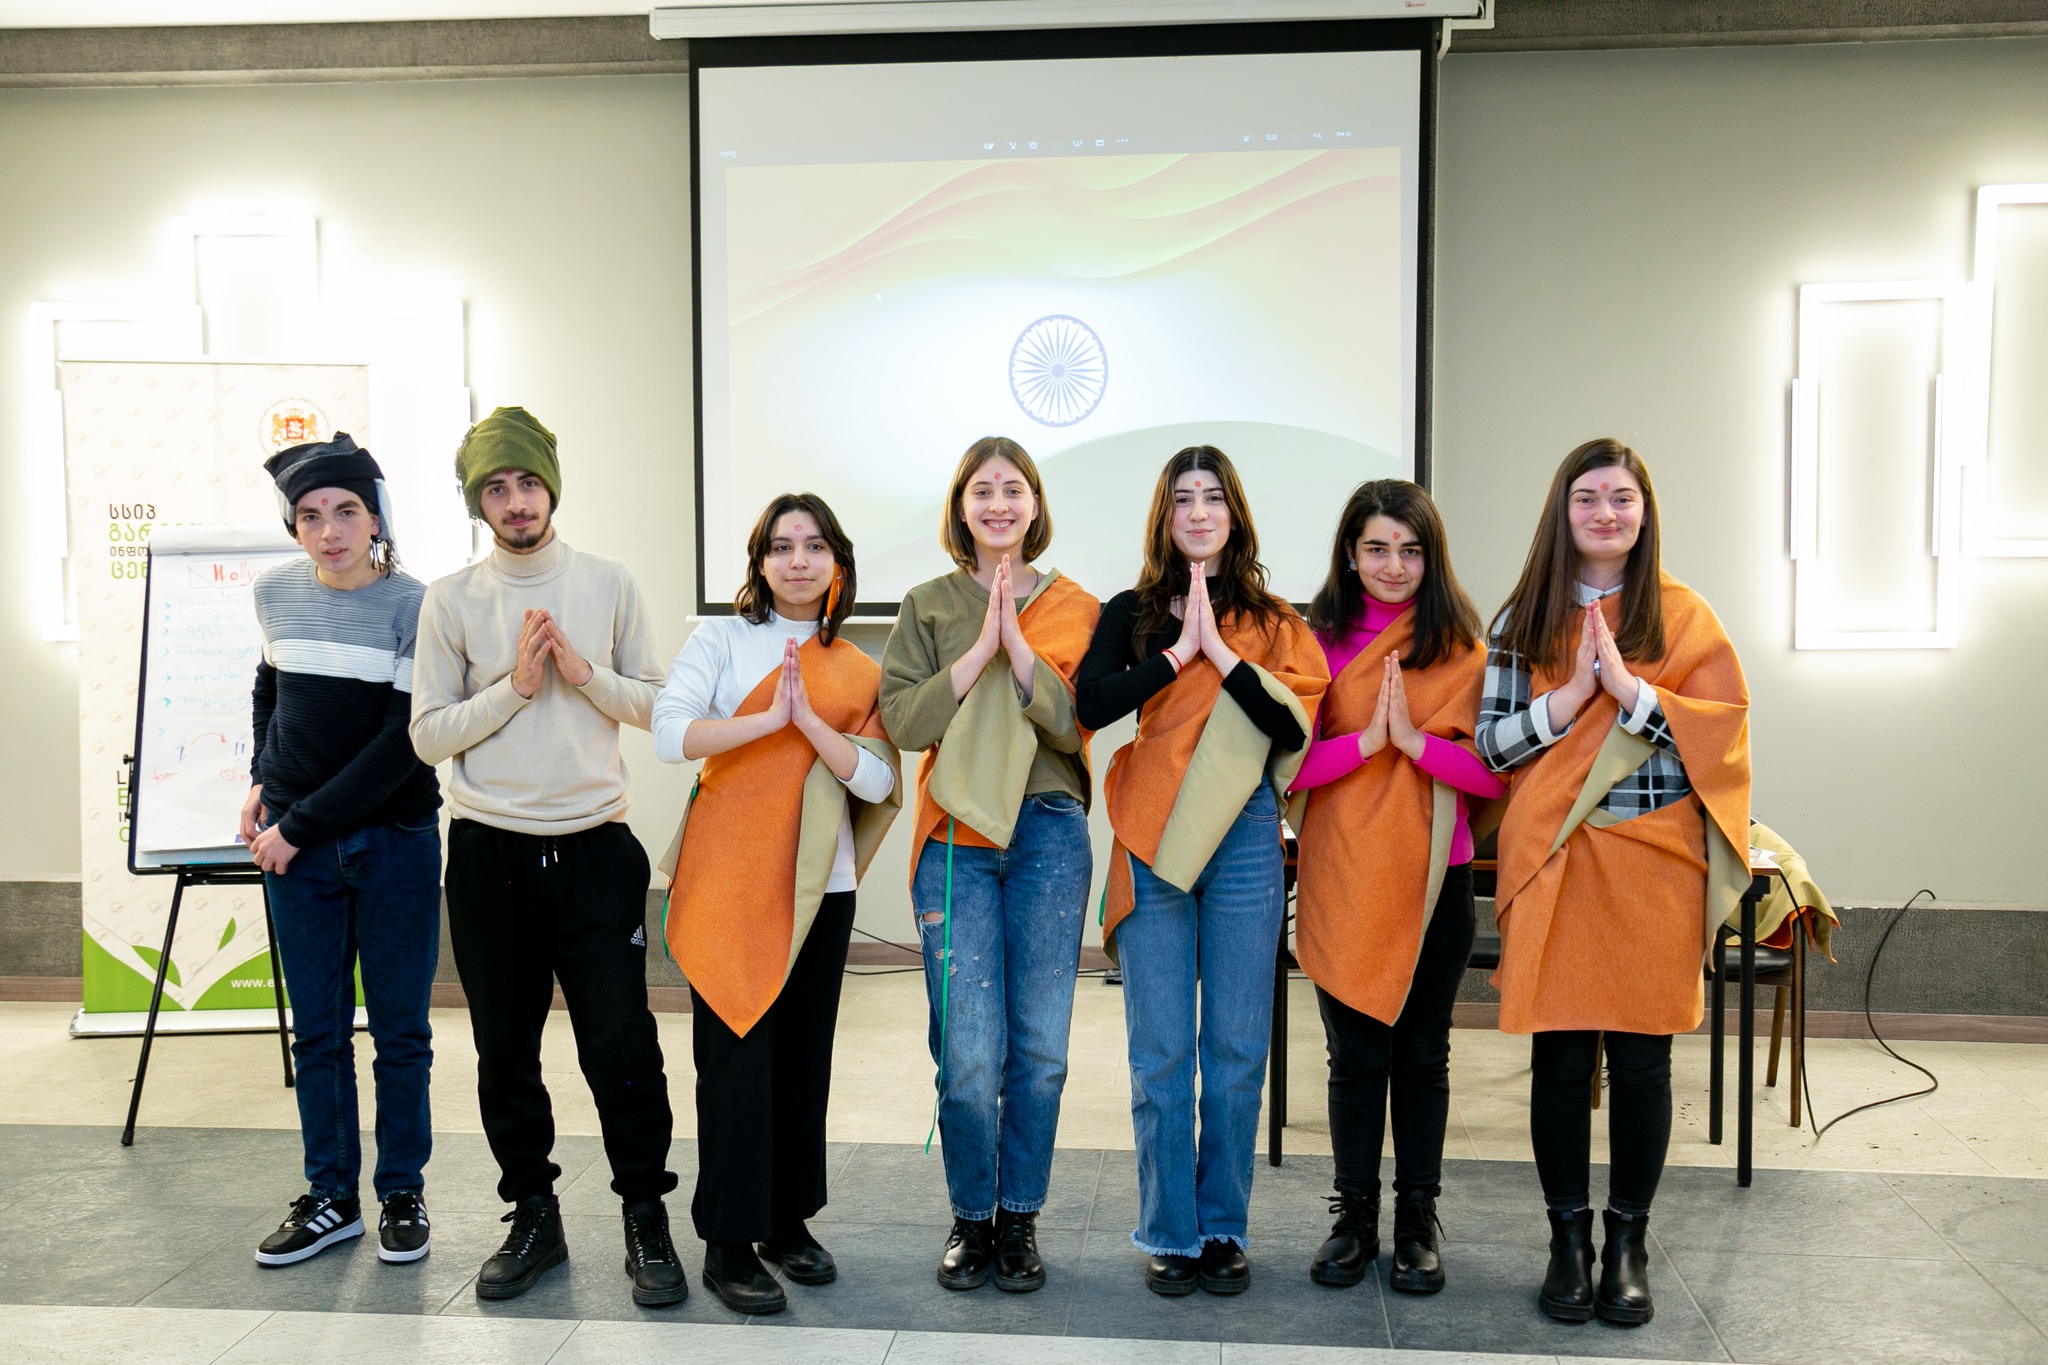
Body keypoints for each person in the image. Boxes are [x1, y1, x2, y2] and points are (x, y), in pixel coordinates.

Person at [408, 406, 687, 1307]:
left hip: (596, 846)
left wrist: (582, 675)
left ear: (551, 487)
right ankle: (533, 1212)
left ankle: (645, 1213)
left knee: (622, 1042)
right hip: (487, 852)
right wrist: (516, 688)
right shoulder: (450, 599)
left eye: (528, 482)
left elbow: (657, 707)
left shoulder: (608, 582)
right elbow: (427, 735)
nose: (516, 500)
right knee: (504, 1049)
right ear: (478, 501)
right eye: (496, 487)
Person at [1475, 438, 1749, 1327]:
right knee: (1559, 1058)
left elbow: (1720, 737)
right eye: (1587, 497)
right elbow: (1492, 748)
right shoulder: (1523, 618)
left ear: (1644, 511)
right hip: (1553, 857)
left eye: (1622, 497)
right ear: (1563, 511)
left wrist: (1630, 691)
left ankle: (1628, 1240)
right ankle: (1567, 1239)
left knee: (1640, 1060)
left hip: (1652, 860)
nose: (1605, 512)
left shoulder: (1684, 616)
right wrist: (1569, 698)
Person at [1075, 445, 1327, 1297]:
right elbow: (1091, 704)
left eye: (1213, 497)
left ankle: (1222, 1226)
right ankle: (1170, 1230)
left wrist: (1221, 651)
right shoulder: (1131, 610)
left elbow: (1294, 727)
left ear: (1234, 513)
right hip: (1153, 833)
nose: (1198, 512)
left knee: (1235, 1048)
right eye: (1182, 498)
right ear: (1165, 515)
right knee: (1159, 1053)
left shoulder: (1275, 621)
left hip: (1246, 835)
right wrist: (1179, 653)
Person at [652, 493, 901, 1314]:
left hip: (820, 887)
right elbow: (670, 731)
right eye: (782, 546)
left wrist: (813, 727)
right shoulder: (720, 640)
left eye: (815, 545)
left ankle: (786, 1220)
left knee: (801, 1058)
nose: (799, 560)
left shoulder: (858, 667)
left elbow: (880, 779)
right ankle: (728, 1241)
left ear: (839, 563)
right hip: (729, 882)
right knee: (736, 1061)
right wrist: (767, 721)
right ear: (759, 562)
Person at [879, 437, 1100, 1294]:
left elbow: (1075, 724)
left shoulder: (1077, 607)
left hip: (1049, 833)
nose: (999, 503)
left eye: (1014, 489)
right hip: (956, 840)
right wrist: (980, 651)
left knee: (1038, 1049)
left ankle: (1020, 1218)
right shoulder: (928, 605)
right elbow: (904, 722)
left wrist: (1021, 649)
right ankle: (971, 1215)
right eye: (983, 490)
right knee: (968, 1052)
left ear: (1035, 505)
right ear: (961, 507)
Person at [1287, 479, 1503, 1295]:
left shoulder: (1464, 651)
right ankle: (1353, 1218)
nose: (1393, 566)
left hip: (1435, 879)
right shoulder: (1313, 645)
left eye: (1411, 550)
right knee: (1354, 1056)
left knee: (1422, 1053)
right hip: (1344, 873)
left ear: (1431, 557)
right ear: (1350, 552)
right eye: (1376, 548)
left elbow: (1494, 776)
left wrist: (1415, 744)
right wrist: (1367, 743)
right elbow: (1285, 767)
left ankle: (1417, 1221)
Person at [243, 434, 442, 1268]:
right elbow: (271, 687)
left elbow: (403, 744)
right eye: (310, 516)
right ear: (293, 526)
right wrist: (262, 777)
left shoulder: (415, 605)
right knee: (318, 1033)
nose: (329, 531)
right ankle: (331, 1196)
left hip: (393, 839)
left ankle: (401, 1192)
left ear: (376, 518)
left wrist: (297, 826)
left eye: (346, 511)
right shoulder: (274, 593)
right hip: (297, 843)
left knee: (401, 1031)